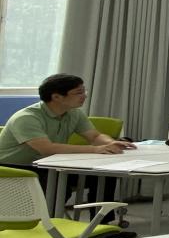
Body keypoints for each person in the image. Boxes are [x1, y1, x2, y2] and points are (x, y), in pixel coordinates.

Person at [0, 74, 133, 222]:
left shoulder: (73, 113)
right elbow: (46, 149)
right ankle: (44, 225)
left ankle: (102, 224)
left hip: (49, 165)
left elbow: (95, 136)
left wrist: (110, 143)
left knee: (103, 174)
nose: (84, 96)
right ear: (57, 97)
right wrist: (96, 149)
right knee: (58, 185)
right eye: (78, 92)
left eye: (84, 91)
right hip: (13, 168)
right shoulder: (26, 117)